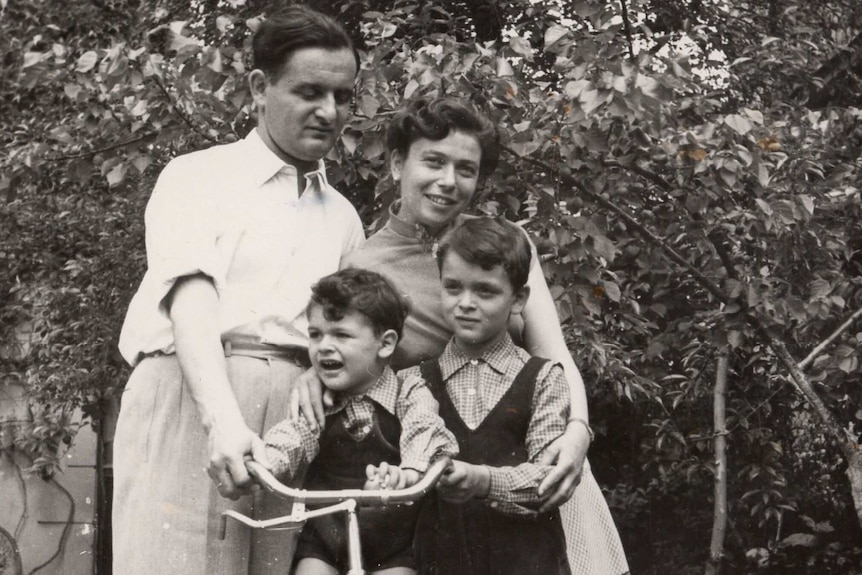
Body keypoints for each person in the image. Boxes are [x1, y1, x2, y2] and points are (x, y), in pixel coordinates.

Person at [112, 6, 363, 575]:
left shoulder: (344, 217)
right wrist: (222, 420)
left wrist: (315, 372)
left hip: (291, 425)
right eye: (309, 92)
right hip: (192, 398)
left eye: (343, 97)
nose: (329, 112)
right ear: (259, 87)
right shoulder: (197, 175)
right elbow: (192, 302)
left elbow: (344, 334)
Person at [339, 97, 629, 573]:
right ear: (396, 163)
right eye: (433, 161)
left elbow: (552, 353)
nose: (448, 181)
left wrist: (577, 434)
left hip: (536, 461)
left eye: (466, 169)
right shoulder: (363, 267)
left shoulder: (505, 243)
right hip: (441, 482)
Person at [263, 268, 458, 575]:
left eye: (341, 334)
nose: (324, 345)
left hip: (394, 542)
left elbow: (425, 427)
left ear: (385, 344)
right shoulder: (319, 399)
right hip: (326, 536)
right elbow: (294, 434)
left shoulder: (408, 391)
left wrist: (409, 472)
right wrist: (267, 462)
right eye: (315, 334)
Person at [404, 216, 571, 575]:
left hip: (528, 562)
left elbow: (548, 482)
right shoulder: (416, 381)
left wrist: (483, 481)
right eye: (453, 288)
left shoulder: (543, 378)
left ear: (518, 299)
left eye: (485, 291)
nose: (466, 303)